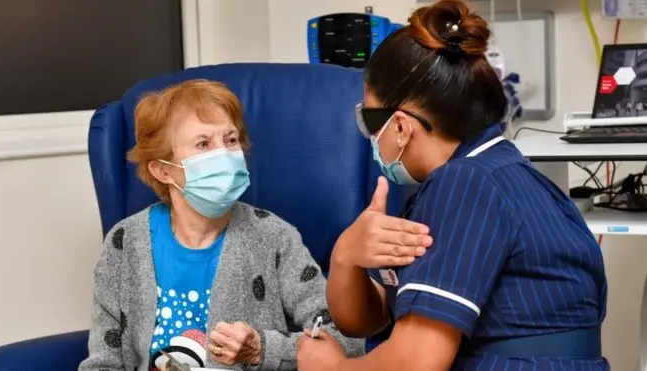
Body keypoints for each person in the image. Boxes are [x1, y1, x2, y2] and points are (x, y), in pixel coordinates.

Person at [296, 1, 609, 370]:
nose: (369, 136)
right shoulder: (501, 174)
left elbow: (416, 363)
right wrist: (345, 255)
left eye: (369, 120)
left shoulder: (466, 184)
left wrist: (332, 369)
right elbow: (375, 316)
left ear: (399, 127)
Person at [78, 79, 364, 371]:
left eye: (230, 140)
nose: (224, 155)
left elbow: (347, 340)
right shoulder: (125, 243)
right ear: (163, 169)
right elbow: (102, 363)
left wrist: (262, 350)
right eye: (204, 144)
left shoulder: (273, 237)